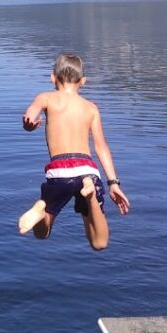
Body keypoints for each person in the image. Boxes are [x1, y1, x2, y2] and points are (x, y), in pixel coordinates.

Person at [17, 53, 130, 251]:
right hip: (87, 169)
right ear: (83, 81)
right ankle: (90, 197)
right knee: (99, 243)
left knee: (42, 233)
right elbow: (101, 146)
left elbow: (29, 118)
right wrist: (113, 183)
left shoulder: (46, 98)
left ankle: (42, 209)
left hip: (60, 170)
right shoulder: (91, 108)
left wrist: (30, 126)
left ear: (53, 78)